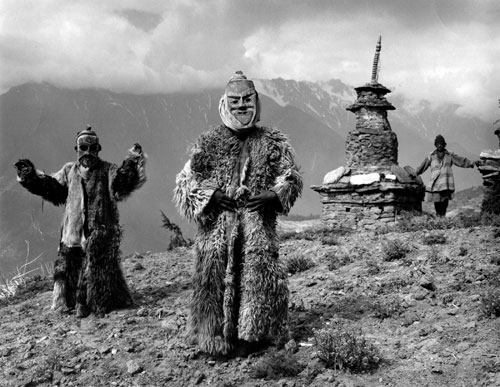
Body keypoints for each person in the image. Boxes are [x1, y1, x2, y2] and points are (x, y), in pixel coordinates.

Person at [174, 71, 302, 356]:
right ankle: (213, 337)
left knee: (256, 279)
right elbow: (185, 182)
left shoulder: (272, 142)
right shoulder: (208, 144)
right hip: (217, 230)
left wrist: (275, 194)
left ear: (256, 101)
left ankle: (253, 335)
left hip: (256, 229)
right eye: (235, 101)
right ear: (225, 103)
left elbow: (291, 177)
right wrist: (211, 195)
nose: (242, 106)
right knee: (213, 281)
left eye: (247, 100)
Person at [14, 126, 146, 317]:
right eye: (83, 148)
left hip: (100, 235)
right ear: (77, 149)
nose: (88, 152)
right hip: (73, 234)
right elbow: (52, 188)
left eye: (92, 148)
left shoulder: (108, 170)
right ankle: (70, 303)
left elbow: (121, 184)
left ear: (98, 149)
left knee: (101, 272)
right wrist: (31, 177)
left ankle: (96, 304)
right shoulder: (69, 170)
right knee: (68, 270)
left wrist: (132, 164)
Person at [416, 134, 479, 217]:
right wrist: (415, 173)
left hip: (446, 183)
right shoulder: (431, 156)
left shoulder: (449, 155)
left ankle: (442, 217)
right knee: (437, 201)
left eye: (441, 143)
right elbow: (422, 166)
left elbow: (460, 160)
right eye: (438, 143)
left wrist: (471, 163)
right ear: (435, 144)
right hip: (435, 184)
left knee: (444, 201)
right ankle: (439, 217)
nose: (439, 145)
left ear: (444, 144)